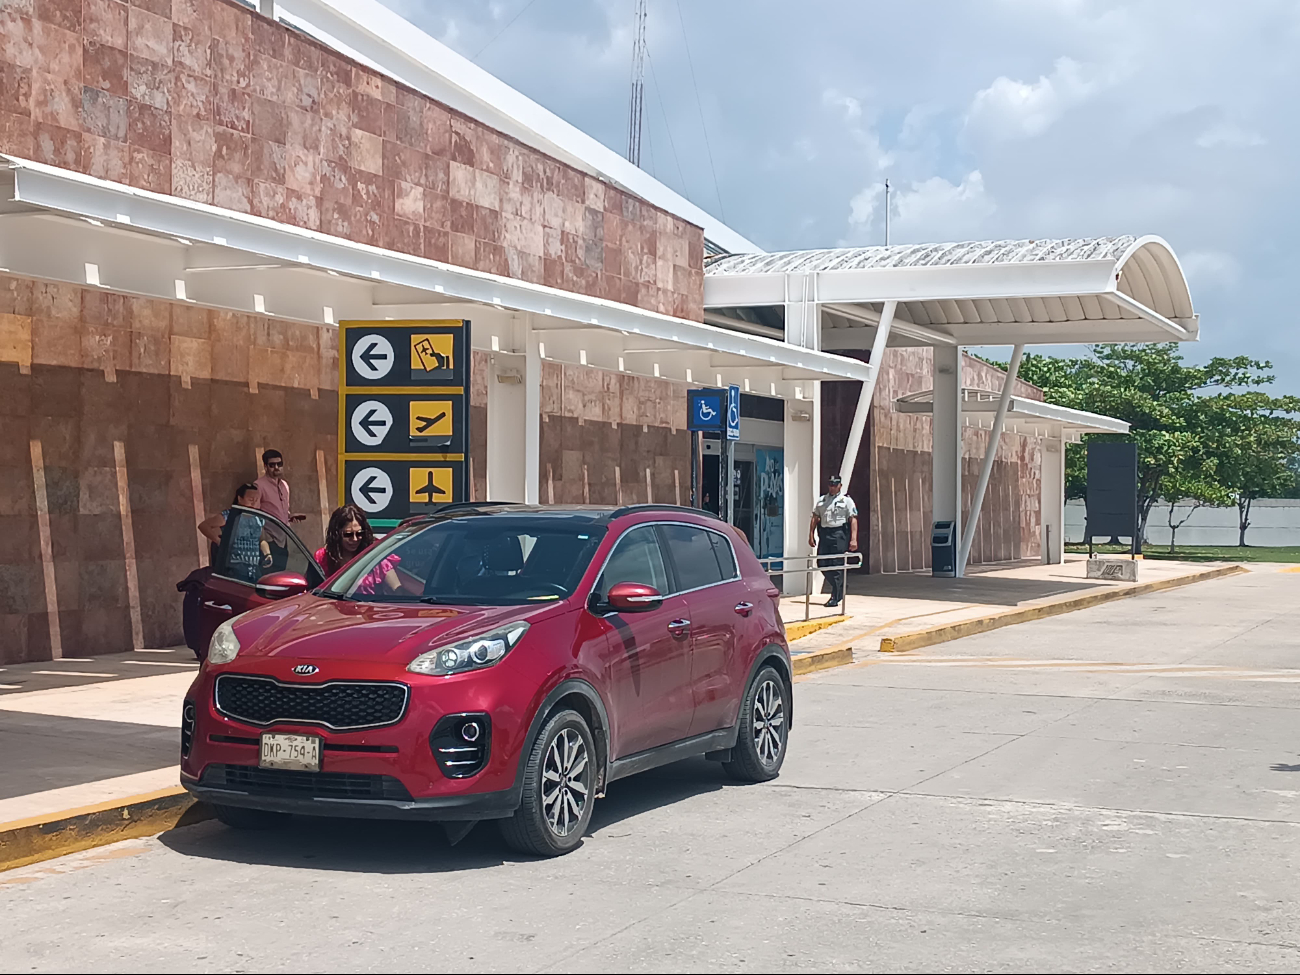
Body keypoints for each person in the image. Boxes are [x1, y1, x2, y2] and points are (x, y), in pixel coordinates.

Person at [315, 504, 403, 595]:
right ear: (336, 535)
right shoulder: (322, 557)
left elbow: (397, 589)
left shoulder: (375, 555)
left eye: (359, 533)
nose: (355, 539)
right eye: (348, 534)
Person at [198, 483, 271, 583]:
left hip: (254, 570)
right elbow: (204, 526)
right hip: (234, 571)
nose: (253, 503)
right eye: (250, 499)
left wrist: (267, 554)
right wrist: (219, 541)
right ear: (240, 499)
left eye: (256, 500)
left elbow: (261, 540)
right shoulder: (229, 516)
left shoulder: (258, 519)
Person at [809, 473, 858, 608]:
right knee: (822, 563)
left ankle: (835, 596)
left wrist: (853, 539)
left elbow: (853, 519)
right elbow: (815, 517)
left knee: (836, 564)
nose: (832, 488)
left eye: (835, 485)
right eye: (830, 485)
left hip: (839, 534)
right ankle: (840, 585)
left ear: (840, 486)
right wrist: (811, 535)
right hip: (825, 534)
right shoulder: (822, 500)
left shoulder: (846, 501)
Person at [255, 449, 306, 572]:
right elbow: (255, 514)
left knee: (280, 574)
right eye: (272, 465)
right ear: (266, 466)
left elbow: (279, 510)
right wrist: (264, 538)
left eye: (279, 464)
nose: (276, 468)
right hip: (269, 540)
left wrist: (290, 516)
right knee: (268, 577)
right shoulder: (259, 485)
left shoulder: (284, 485)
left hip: (284, 538)